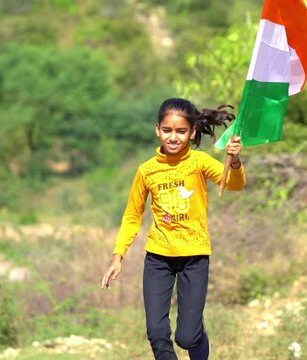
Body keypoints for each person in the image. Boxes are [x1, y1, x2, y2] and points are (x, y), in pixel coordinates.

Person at [101, 98, 246, 360]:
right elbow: (133, 216)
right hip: (159, 258)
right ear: (157, 129)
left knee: (188, 337)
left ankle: (199, 340)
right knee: (157, 333)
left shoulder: (199, 163)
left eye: (181, 131)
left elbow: (234, 184)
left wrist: (235, 161)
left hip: (194, 257)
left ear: (192, 133)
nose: (173, 137)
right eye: (167, 130)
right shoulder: (147, 171)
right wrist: (118, 255)